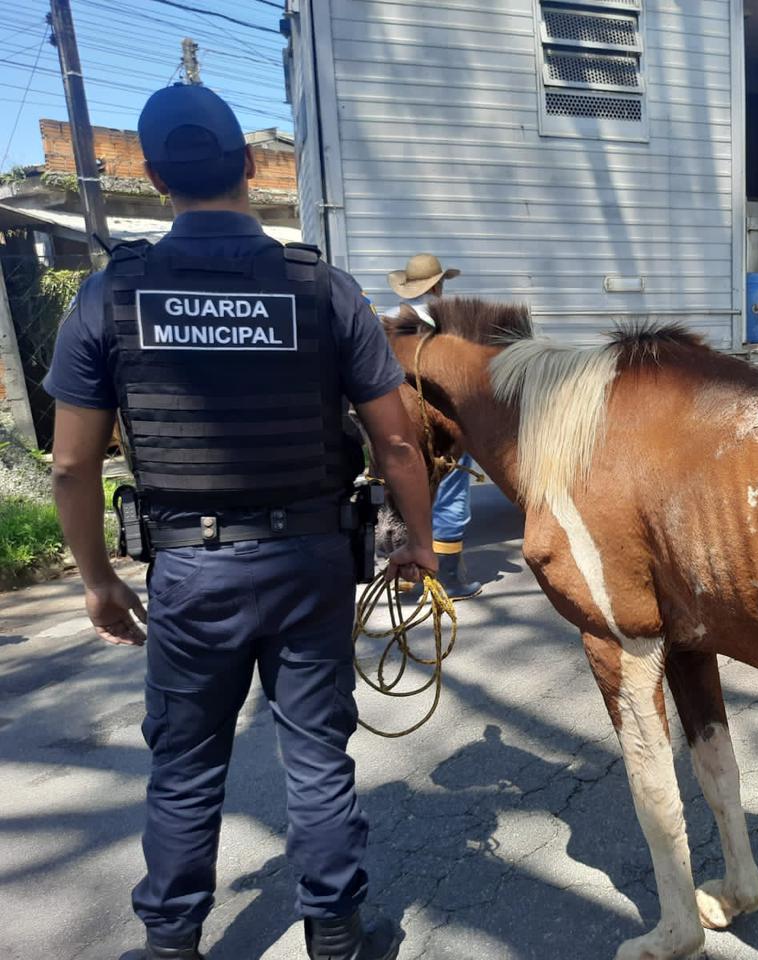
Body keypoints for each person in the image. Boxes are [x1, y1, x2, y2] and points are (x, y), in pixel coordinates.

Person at [43, 85, 437, 960]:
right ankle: (336, 939)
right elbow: (399, 441)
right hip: (310, 562)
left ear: (150, 173)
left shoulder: (112, 296)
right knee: (316, 761)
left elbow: (72, 463)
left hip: (191, 574)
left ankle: (171, 943)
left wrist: (99, 582)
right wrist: (419, 542)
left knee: (184, 770)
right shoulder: (324, 290)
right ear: (252, 166)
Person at [387, 254, 482, 600]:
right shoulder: (441, 332)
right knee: (453, 488)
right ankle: (449, 577)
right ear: (437, 285)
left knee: (409, 493)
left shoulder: (390, 322)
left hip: (395, 426)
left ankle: (408, 575)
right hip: (437, 427)